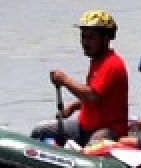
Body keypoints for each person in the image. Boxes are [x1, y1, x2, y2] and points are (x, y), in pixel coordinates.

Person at [29, 9, 129, 146]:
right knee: (40, 130)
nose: (85, 42)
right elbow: (97, 96)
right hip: (84, 126)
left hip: (108, 130)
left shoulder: (112, 64)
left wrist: (64, 80)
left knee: (92, 150)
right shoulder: (96, 61)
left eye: (91, 37)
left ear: (106, 39)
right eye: (83, 37)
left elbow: (93, 97)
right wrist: (72, 107)